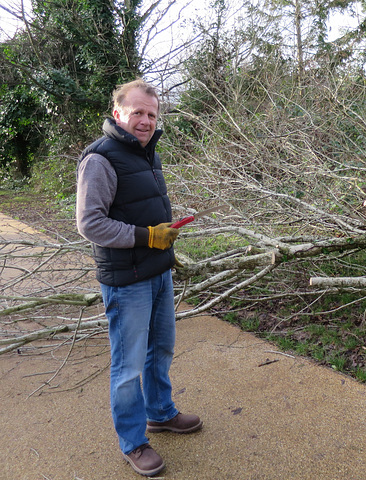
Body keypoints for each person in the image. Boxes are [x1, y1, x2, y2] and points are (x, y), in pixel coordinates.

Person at [76, 78, 202, 477]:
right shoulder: (100, 159)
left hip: (157, 271)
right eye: (137, 113)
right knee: (128, 366)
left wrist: (164, 236)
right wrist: (147, 236)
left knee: (160, 350)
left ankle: (161, 413)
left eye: (151, 114)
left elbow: (140, 208)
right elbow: (89, 223)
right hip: (125, 280)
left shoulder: (148, 154)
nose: (146, 121)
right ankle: (133, 442)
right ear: (118, 114)